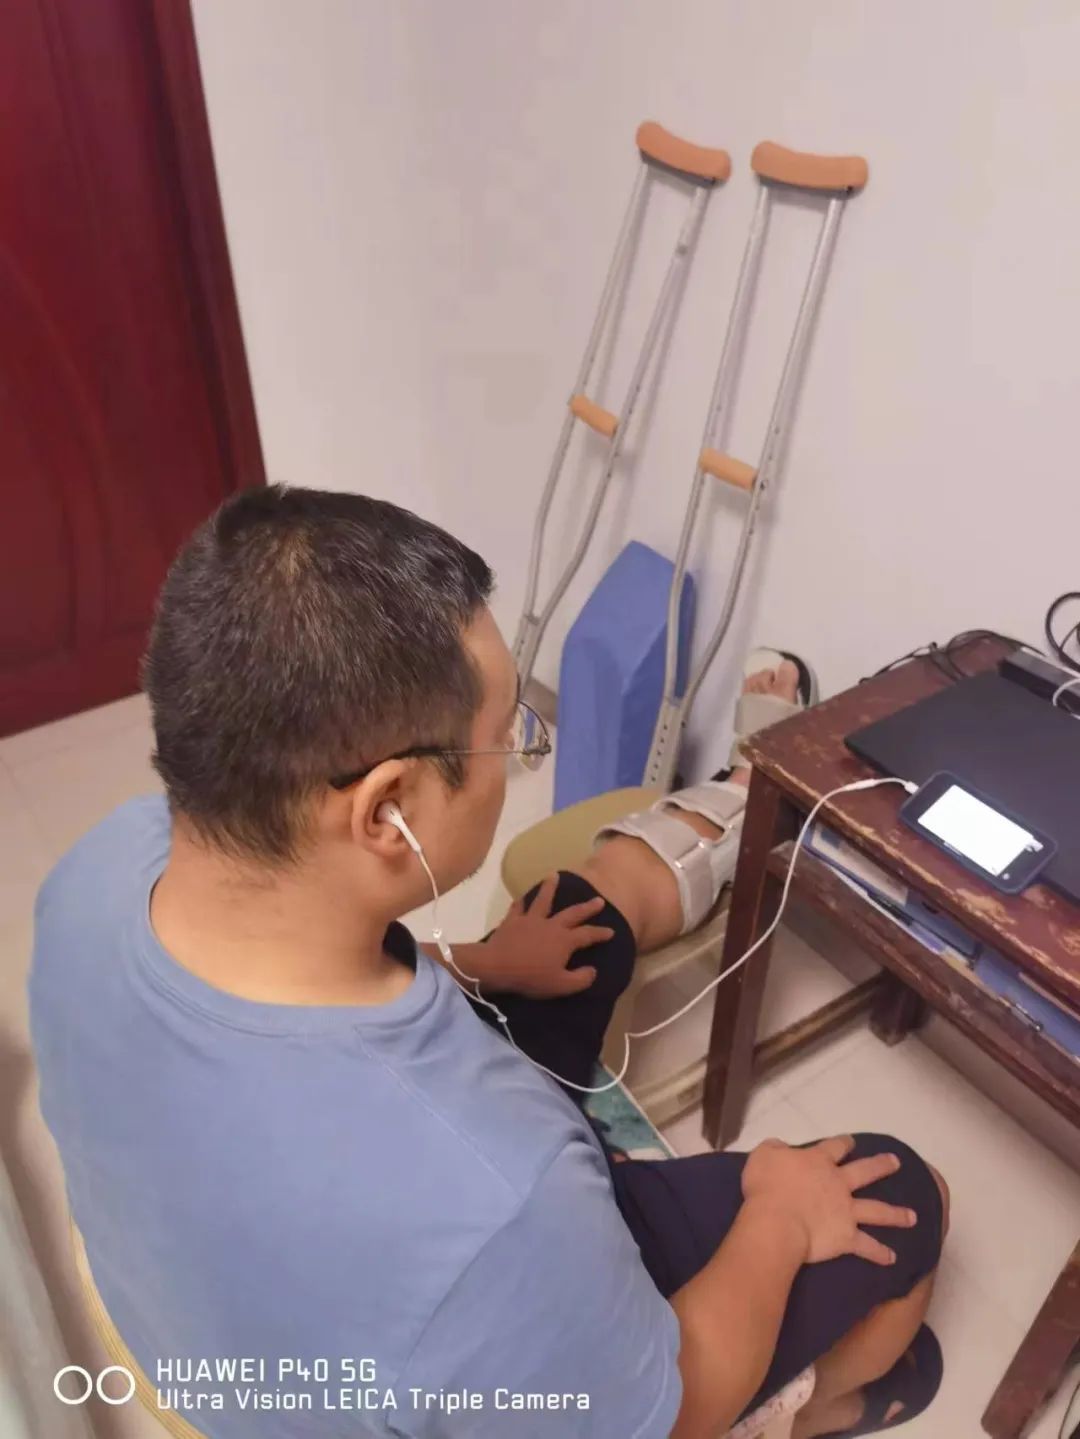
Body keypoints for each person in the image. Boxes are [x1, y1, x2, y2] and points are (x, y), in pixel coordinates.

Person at [30, 487, 946, 1439]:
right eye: (511, 735)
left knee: (579, 917)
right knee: (912, 1196)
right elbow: (675, 1410)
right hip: (507, 1312)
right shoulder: (503, 1197)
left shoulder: (100, 870)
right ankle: (816, 1408)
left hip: (231, 1307)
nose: (517, 754)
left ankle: (742, 789)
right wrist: (779, 1218)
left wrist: (480, 961)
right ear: (388, 810)